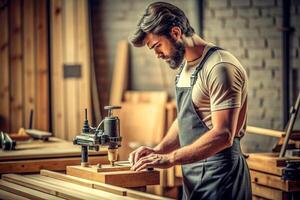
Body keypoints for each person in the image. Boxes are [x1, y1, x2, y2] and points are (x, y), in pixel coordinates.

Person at [128, 2, 252, 200]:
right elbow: (184, 120)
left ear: (176, 33)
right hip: (192, 177)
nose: (157, 55)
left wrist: (170, 158)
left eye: (157, 46)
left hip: (221, 179)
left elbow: (224, 134)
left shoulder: (219, 67)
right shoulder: (185, 68)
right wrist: (158, 150)